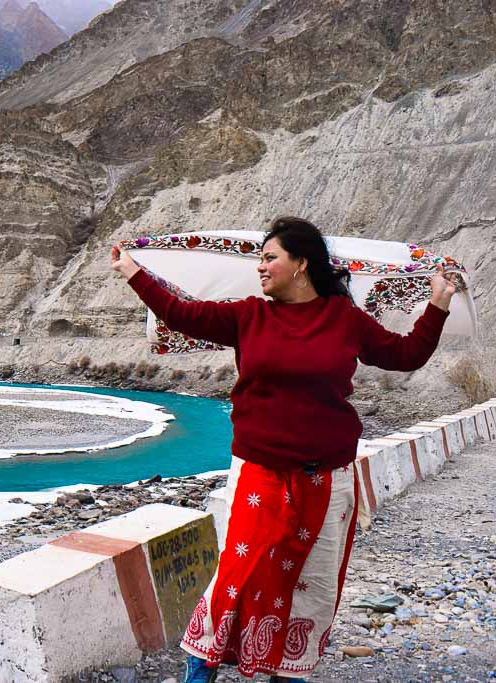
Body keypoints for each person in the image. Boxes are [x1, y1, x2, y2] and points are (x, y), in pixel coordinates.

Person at [110, 217, 456, 682]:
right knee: (238, 573)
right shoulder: (249, 315)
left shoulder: (345, 320)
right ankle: (202, 668)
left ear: (301, 264)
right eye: (259, 258)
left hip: (327, 480)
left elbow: (406, 354)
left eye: (270, 257)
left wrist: (439, 302)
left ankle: (287, 671)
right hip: (260, 472)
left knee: (311, 583)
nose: (260, 267)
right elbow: (179, 313)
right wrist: (133, 271)